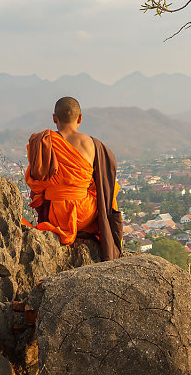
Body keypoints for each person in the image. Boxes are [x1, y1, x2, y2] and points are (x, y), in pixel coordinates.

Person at [24, 97, 123, 260]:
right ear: (80, 118)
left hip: (56, 216)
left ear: (54, 118)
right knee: (105, 189)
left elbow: (35, 185)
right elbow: (107, 184)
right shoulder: (93, 144)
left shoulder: (43, 142)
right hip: (85, 215)